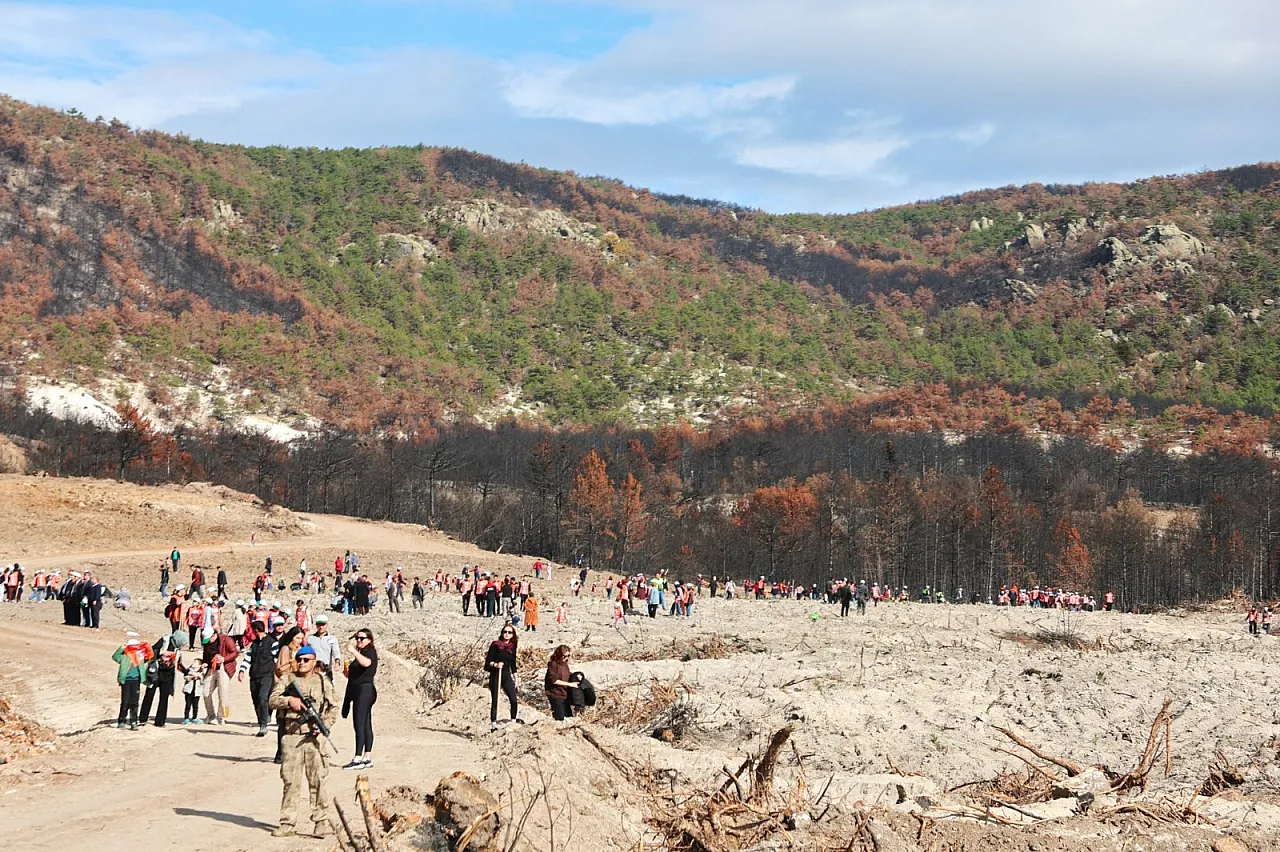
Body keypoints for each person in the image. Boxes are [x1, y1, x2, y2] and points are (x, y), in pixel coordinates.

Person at [268, 645, 338, 838]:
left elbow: (333, 707)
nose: (302, 663)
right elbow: (272, 700)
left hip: (314, 738)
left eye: (306, 660)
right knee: (290, 781)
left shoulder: (322, 681)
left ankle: (321, 821)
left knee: (318, 780)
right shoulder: (287, 679)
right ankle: (287, 823)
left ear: (314, 662)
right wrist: (289, 701)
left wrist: (324, 725)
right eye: (299, 659)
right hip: (292, 736)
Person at [342, 629, 378, 769]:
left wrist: (353, 651)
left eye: (361, 638)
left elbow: (367, 663)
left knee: (359, 723)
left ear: (369, 640)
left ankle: (358, 758)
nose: (358, 641)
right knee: (365, 723)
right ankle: (366, 757)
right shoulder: (362, 652)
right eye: (357, 638)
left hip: (365, 691)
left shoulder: (370, 652)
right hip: (359, 690)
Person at [238, 619, 280, 736]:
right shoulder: (254, 644)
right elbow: (248, 658)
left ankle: (264, 724)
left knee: (263, 697)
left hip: (267, 675)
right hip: (254, 675)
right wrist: (242, 670)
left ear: (256, 630)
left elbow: (276, 660)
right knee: (256, 699)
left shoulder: (272, 642)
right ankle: (261, 721)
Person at [140, 631, 183, 727]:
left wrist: (187, 672)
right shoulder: (164, 641)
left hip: (168, 676)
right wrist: (162, 653)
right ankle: (142, 718)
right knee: (149, 695)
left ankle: (160, 721)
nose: (182, 646)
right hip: (156, 673)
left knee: (164, 699)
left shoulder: (177, 650)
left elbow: (179, 664)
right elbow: (152, 651)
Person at [112, 632, 152, 730]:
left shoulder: (140, 657)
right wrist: (121, 648)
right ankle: (121, 721)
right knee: (125, 702)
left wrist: (146, 646)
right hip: (126, 681)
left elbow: (149, 656)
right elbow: (115, 657)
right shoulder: (124, 657)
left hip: (136, 681)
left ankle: (133, 721)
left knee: (134, 702)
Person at [484, 624, 520, 731]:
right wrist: (496, 664)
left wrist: (516, 679)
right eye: (505, 632)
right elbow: (488, 661)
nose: (507, 634)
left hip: (506, 675)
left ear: (512, 635)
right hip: (496, 674)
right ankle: (493, 724)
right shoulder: (495, 645)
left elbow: (513, 664)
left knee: (513, 699)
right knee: (495, 700)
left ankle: (513, 721)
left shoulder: (512, 647)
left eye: (509, 632)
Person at [544, 645, 575, 721]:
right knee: (560, 718)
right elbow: (554, 680)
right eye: (564, 656)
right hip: (556, 694)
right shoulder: (553, 664)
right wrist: (569, 684)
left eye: (568, 656)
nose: (566, 658)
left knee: (569, 717)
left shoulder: (564, 665)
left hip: (564, 694)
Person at [309, 615, 342, 683]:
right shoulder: (310, 638)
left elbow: (336, 651)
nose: (321, 627)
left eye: (323, 624)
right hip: (313, 669)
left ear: (327, 625)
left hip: (326, 669)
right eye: (319, 624)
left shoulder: (332, 638)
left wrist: (337, 662)